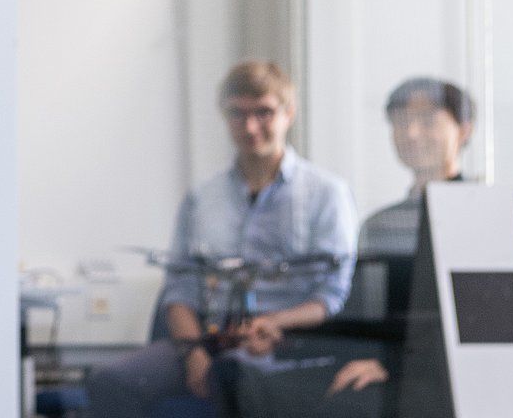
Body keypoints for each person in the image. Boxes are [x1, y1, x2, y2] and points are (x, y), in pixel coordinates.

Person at [85, 61, 356, 418]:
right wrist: (194, 352)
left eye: (264, 112)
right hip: (207, 342)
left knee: (237, 383)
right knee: (110, 380)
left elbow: (332, 294)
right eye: (237, 114)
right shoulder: (202, 199)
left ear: (289, 113)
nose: (250, 127)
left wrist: (274, 323)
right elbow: (179, 289)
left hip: (285, 343)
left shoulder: (326, 194)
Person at [233, 77, 476, 418]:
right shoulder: (380, 225)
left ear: (463, 130)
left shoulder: (479, 215)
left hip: (438, 372)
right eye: (401, 122)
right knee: (254, 386)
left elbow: (474, 321)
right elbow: (364, 315)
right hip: (378, 358)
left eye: (427, 121)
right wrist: (282, 332)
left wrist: (393, 364)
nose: (412, 134)